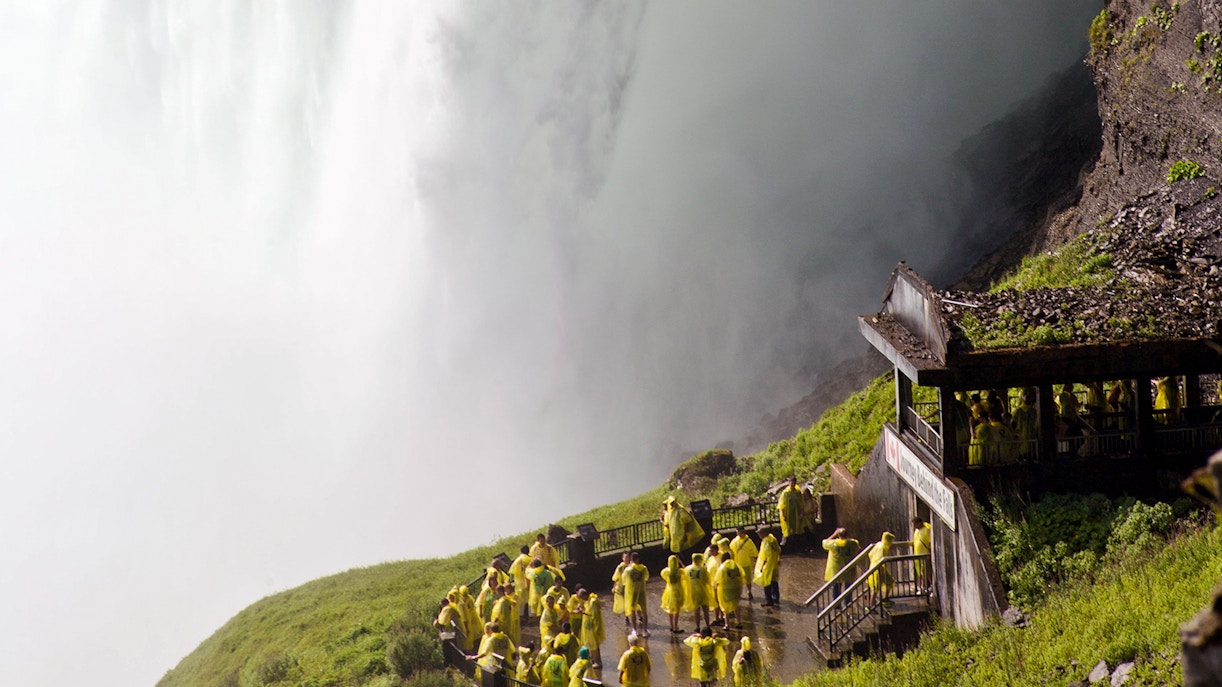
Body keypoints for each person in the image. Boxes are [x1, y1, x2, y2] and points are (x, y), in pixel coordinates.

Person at [821, 527, 860, 604]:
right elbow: (856, 545)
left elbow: (824, 543)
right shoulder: (852, 543)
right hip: (849, 569)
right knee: (848, 587)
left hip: (836, 570)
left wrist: (834, 534)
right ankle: (847, 603)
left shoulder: (833, 544)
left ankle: (836, 604)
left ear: (838, 535)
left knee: (836, 587)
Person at [622, 551, 650, 636]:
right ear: (638, 559)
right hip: (641, 591)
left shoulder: (628, 570)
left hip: (632, 593)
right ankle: (645, 630)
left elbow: (623, 581)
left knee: (632, 611)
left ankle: (635, 630)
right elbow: (646, 577)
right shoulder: (643, 568)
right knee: (644, 611)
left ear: (631, 559)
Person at [684, 552, 715, 629]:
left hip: (693, 591)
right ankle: (707, 625)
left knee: (696, 610)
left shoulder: (687, 569)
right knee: (705, 610)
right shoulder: (702, 570)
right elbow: (707, 580)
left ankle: (697, 626)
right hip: (703, 591)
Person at [865, 532, 895, 609]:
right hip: (878, 569)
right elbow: (880, 559)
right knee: (875, 588)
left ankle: (885, 598)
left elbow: (870, 554)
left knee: (889, 582)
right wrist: (880, 570)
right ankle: (870, 606)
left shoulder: (879, 544)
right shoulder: (883, 547)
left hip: (877, 567)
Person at [575, 588, 605, 667]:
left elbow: (593, 615)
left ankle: (598, 662)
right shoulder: (587, 601)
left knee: (594, 644)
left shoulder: (593, 601)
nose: (582, 600)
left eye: (582, 598)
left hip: (593, 627)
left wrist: (582, 612)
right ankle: (593, 659)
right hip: (588, 627)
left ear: (585, 595)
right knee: (589, 644)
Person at [715, 553, 745, 629]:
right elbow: (741, 576)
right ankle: (739, 622)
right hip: (736, 588)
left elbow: (718, 579)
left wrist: (716, 586)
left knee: (725, 607)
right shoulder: (736, 566)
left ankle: (727, 625)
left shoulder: (723, 567)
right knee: (736, 605)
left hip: (726, 589)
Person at [729, 527, 759, 602]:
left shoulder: (749, 541)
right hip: (737, 564)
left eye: (741, 532)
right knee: (738, 580)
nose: (740, 533)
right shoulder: (734, 542)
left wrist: (755, 561)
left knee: (747, 579)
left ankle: (749, 591)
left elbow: (754, 552)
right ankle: (739, 593)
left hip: (746, 563)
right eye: (738, 532)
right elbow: (731, 552)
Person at [754, 527, 781, 608]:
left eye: (760, 533)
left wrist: (762, 566)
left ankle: (768, 600)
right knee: (774, 581)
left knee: (767, 582)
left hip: (768, 565)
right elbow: (778, 550)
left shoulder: (766, 542)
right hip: (774, 564)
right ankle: (775, 597)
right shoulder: (773, 539)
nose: (759, 535)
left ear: (764, 533)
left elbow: (765, 554)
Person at [661, 554, 688, 634]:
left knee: (670, 608)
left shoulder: (667, 571)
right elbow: (686, 570)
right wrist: (680, 562)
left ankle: (672, 626)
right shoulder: (679, 571)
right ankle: (676, 627)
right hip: (678, 591)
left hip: (669, 591)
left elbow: (662, 574)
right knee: (676, 610)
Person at [777, 477, 804, 545]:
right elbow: (782, 504)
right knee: (787, 529)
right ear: (789, 483)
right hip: (788, 514)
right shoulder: (786, 493)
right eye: (791, 483)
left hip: (796, 513)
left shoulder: (797, 492)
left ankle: (796, 544)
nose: (792, 484)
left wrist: (801, 512)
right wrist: (783, 515)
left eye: (793, 483)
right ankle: (784, 543)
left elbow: (801, 502)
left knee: (796, 528)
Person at [509, 545, 533, 619]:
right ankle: (531, 616)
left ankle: (521, 616)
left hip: (520, 583)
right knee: (530, 599)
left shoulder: (518, 560)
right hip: (530, 581)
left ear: (520, 551)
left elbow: (512, 571)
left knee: (520, 600)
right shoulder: (531, 559)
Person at [912, 517, 932, 593]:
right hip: (918, 554)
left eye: (915, 524)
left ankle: (923, 587)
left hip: (925, 554)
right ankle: (926, 586)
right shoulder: (917, 531)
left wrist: (929, 553)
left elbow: (930, 542)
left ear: (919, 523)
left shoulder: (927, 530)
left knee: (926, 572)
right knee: (923, 572)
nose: (914, 526)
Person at [612, 552, 630, 620]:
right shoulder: (620, 567)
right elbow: (616, 578)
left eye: (627, 557)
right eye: (625, 557)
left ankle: (638, 616)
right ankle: (627, 616)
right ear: (622, 558)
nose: (626, 559)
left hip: (630, 586)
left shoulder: (631, 566)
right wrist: (614, 587)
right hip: (622, 587)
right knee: (625, 601)